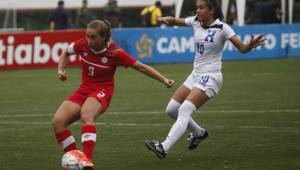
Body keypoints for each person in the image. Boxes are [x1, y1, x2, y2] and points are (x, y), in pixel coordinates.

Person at [145, 0, 265, 159]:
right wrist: (169, 19)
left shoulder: (223, 28)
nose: (198, 10)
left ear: (211, 10)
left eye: (201, 7)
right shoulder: (195, 21)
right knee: (171, 110)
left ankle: (163, 147)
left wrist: (250, 45)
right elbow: (178, 21)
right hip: (195, 74)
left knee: (184, 110)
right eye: (197, 7)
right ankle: (198, 133)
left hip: (211, 76)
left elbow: (242, 48)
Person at [51, 19, 174, 169]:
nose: (88, 40)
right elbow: (66, 52)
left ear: (104, 37)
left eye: (93, 37)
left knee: (86, 114)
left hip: (102, 91)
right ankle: (77, 159)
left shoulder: (115, 53)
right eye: (87, 36)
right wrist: (61, 70)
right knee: (58, 121)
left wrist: (164, 79)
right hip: (84, 89)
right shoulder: (82, 44)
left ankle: (87, 161)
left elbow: (141, 67)